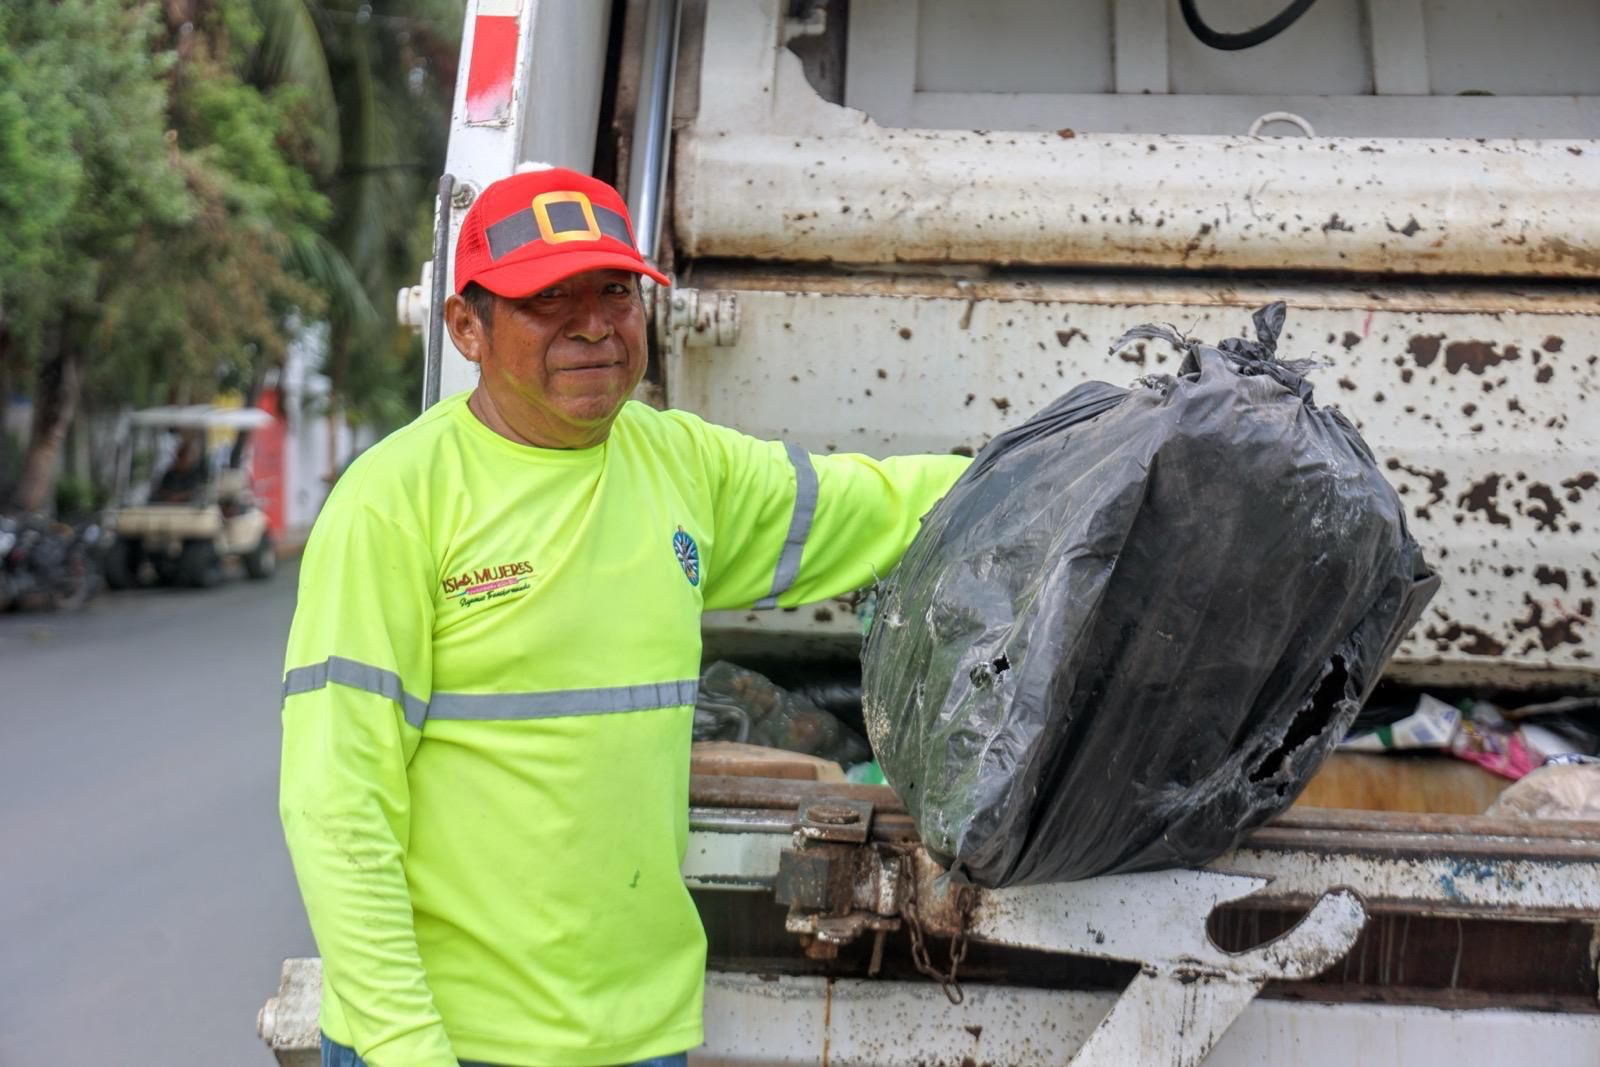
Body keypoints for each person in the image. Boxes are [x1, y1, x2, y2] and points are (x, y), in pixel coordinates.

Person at [279, 167, 969, 1067]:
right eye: (547, 297)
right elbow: (338, 804)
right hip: (455, 1038)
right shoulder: (394, 503)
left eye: (615, 290)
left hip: (637, 1035)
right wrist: (404, 1044)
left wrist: (1070, 464)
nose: (594, 324)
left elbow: (872, 505)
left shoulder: (678, 463)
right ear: (466, 327)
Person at [154, 433, 207, 503]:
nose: (190, 459)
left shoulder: (195, 475)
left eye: (191, 455)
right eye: (185, 455)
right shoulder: (170, 474)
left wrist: (178, 496)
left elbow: (197, 492)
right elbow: (161, 492)